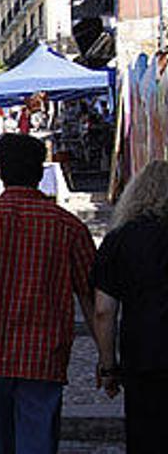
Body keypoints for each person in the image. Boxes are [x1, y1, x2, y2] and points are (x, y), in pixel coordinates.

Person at [0, 134, 97, 454]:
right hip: (44, 355)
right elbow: (90, 296)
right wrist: (106, 354)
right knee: (38, 443)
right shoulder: (68, 226)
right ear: (40, 173)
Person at [90, 160, 168, 452]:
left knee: (147, 435)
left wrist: (108, 365)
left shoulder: (120, 240)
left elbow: (103, 311)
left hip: (144, 354)